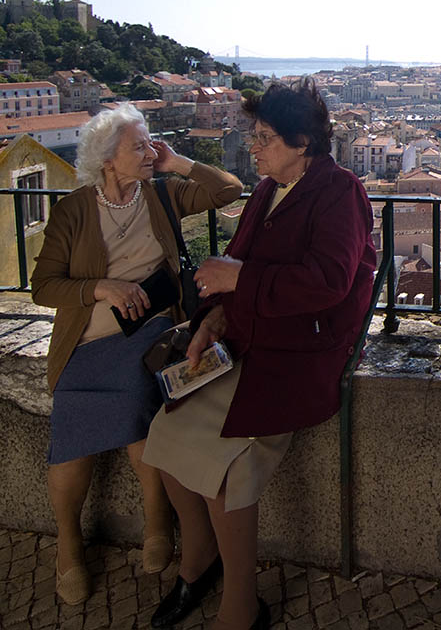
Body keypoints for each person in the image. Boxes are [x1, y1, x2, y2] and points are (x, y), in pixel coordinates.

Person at [143, 78, 377, 630]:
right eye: (255, 134)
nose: (255, 146)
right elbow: (235, 279)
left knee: (226, 469)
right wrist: (211, 321)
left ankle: (241, 608)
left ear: (302, 142)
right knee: (163, 439)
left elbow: (329, 281)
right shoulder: (271, 189)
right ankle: (200, 560)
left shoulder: (339, 190)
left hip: (298, 352)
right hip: (245, 341)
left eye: (266, 137)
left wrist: (240, 277)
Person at [30, 103, 244, 605]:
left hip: (150, 333)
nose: (148, 152)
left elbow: (227, 189)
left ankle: (155, 522)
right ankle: (69, 544)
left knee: (134, 402)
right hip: (85, 344)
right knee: (69, 439)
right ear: (108, 159)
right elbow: (44, 286)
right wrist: (100, 288)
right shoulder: (73, 211)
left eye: (150, 144)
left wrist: (178, 163)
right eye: (139, 147)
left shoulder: (161, 193)